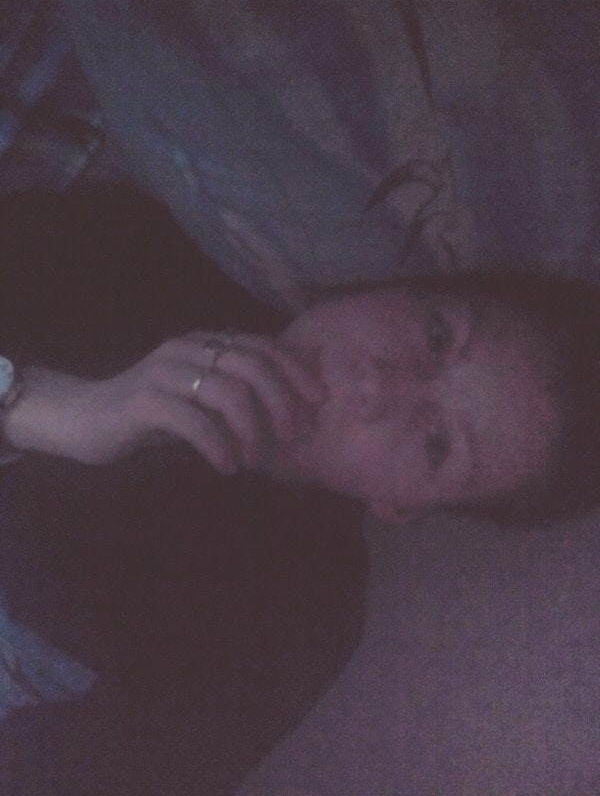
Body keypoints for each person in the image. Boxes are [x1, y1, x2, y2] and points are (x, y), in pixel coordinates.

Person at [0, 183, 597, 794]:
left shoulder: (298, 624)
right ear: (403, 287)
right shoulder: (144, 244)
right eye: (438, 337)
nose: (374, 384)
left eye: (437, 444)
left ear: (400, 505)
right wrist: (35, 407)